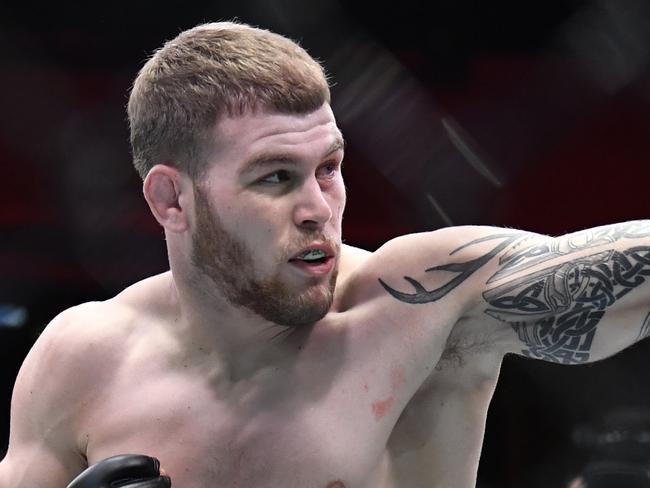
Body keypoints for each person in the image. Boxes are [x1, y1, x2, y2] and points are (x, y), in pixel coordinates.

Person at [1, 21, 649, 488]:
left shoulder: (417, 303)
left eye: (330, 167)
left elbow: (607, 269)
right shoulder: (79, 358)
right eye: (275, 177)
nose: (318, 206)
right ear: (172, 199)